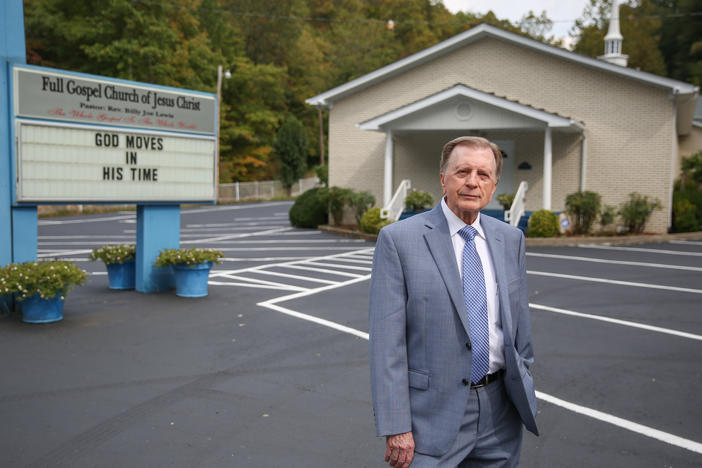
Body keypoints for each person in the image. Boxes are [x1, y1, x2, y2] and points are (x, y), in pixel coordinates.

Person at [369, 136, 538, 468]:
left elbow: (519, 324)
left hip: (500, 412)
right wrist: (396, 425)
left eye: (483, 174)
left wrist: (524, 379)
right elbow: (387, 345)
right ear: (443, 178)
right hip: (430, 417)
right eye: (462, 171)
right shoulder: (399, 240)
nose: (472, 182)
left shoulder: (510, 239)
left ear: (493, 185)